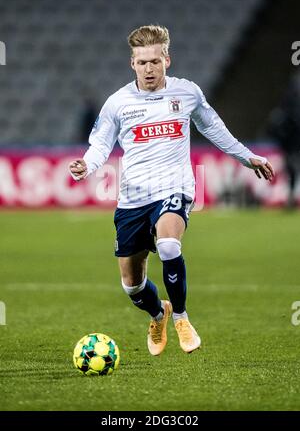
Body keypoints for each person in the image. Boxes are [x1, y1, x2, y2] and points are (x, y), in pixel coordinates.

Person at [69, 25, 274, 355]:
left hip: (174, 188)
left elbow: (214, 128)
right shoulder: (118, 103)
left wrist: (247, 157)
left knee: (167, 245)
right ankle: (158, 312)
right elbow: (100, 145)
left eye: (154, 61)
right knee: (132, 285)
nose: (148, 68)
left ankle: (181, 316)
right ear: (132, 64)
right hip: (133, 198)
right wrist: (86, 165)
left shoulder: (186, 93)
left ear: (167, 59)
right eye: (141, 62)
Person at [268, 73, 300, 208]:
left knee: (291, 167)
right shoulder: (289, 105)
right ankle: (291, 196)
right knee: (291, 168)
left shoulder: (288, 104)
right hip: (291, 142)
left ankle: (291, 196)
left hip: (291, 142)